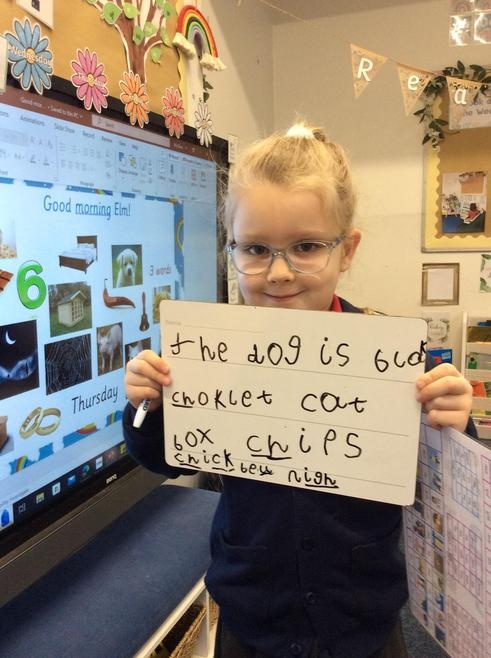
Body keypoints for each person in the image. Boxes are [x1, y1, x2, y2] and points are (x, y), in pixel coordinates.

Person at [123, 123, 474, 658]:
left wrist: (455, 421)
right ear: (232, 250)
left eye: (306, 247)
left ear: (347, 250)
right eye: (255, 249)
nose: (279, 273)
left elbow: (445, 484)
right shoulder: (206, 354)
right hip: (253, 617)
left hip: (361, 619)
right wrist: (148, 405)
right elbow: (161, 458)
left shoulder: (396, 362)